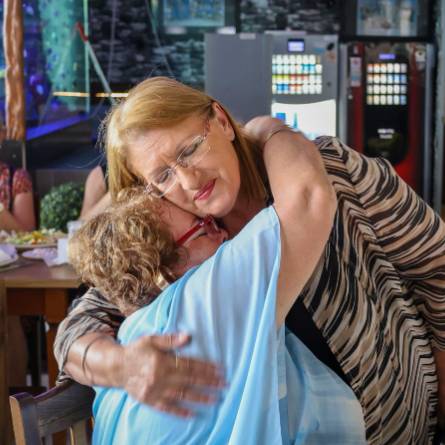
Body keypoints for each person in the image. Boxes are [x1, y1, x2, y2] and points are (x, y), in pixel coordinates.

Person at [54, 77, 445, 444]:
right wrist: (123, 366)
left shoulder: (328, 168)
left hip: (397, 421)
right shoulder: (170, 242)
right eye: (163, 177)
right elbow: (77, 327)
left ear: (221, 121)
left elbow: (437, 269)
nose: (189, 181)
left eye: (190, 149)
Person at [67, 165, 365, 442]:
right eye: (203, 227)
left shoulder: (132, 333)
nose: (222, 232)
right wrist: (271, 133)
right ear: (162, 273)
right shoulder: (206, 296)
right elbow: (308, 196)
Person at [0, 158, 36, 387]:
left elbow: (28, 236)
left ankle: (12, 399)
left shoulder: (16, 178)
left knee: (7, 311)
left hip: (12, 275)